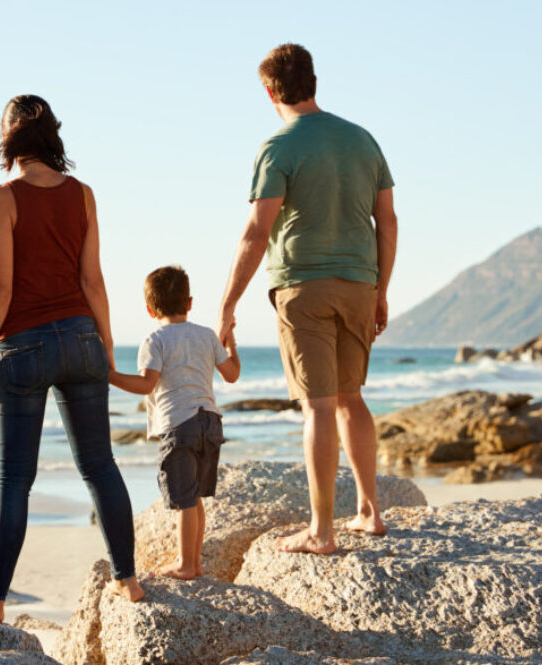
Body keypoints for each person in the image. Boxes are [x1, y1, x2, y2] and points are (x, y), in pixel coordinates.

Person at [0, 95, 144, 624]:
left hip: (23, 345)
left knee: (14, 479)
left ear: (8, 139)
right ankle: (128, 582)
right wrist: (105, 348)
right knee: (99, 465)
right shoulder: (83, 195)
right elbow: (93, 280)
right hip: (82, 337)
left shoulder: (4, 196)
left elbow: (0, 283)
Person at [216, 43, 399, 554]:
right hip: (361, 281)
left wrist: (227, 305)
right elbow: (387, 221)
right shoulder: (363, 140)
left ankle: (322, 532)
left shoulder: (278, 145)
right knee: (351, 397)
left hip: (303, 286)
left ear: (270, 91)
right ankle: (369, 511)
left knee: (318, 406)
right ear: (313, 81)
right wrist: (381, 289)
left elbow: (257, 231)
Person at [109, 266, 240, 579]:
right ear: (190, 302)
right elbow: (232, 374)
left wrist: (110, 375)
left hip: (179, 425)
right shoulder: (208, 335)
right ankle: (194, 562)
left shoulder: (154, 340)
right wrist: (230, 337)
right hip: (210, 422)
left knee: (183, 500)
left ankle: (185, 564)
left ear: (149, 309)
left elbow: (146, 385)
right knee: (194, 499)